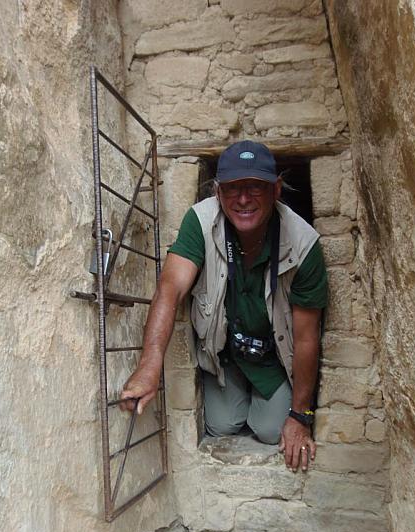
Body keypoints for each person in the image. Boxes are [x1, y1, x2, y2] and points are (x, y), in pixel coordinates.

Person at [120, 140, 327, 472]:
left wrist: (301, 415)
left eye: (254, 187)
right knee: (221, 425)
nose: (243, 199)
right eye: (232, 188)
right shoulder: (201, 222)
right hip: (226, 356)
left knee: (271, 429)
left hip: (273, 360)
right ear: (218, 192)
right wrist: (149, 365)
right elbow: (170, 290)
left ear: (275, 190)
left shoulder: (302, 244)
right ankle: (239, 394)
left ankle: (267, 401)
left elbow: (305, 338)